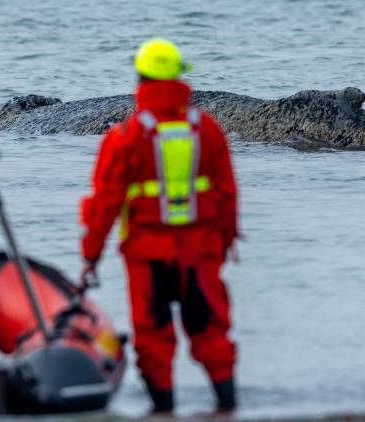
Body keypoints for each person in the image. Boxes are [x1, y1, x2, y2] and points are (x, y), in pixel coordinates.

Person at [80, 38, 238, 412]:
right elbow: (228, 191)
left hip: (147, 254)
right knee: (212, 332)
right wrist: (227, 241)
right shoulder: (208, 130)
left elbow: (104, 203)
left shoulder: (125, 137)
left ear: (140, 77)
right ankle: (229, 408)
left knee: (153, 338)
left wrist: (90, 257)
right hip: (201, 250)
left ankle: (162, 412)